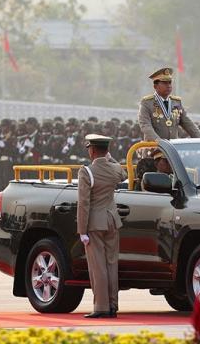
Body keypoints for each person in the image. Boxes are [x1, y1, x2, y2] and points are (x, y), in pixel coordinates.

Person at [77, 134, 127, 318]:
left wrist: (82, 230)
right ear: (106, 150)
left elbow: (84, 204)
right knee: (111, 264)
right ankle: (113, 305)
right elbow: (123, 173)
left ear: (92, 150)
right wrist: (110, 158)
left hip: (95, 223)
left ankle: (101, 307)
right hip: (112, 220)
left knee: (98, 267)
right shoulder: (115, 169)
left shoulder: (86, 172)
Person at [138, 67, 200, 141]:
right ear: (155, 86)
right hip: (154, 148)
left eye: (170, 82)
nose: (168, 85)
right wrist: (158, 141)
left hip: (171, 150)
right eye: (164, 83)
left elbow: (189, 124)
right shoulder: (147, 103)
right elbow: (145, 126)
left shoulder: (176, 102)